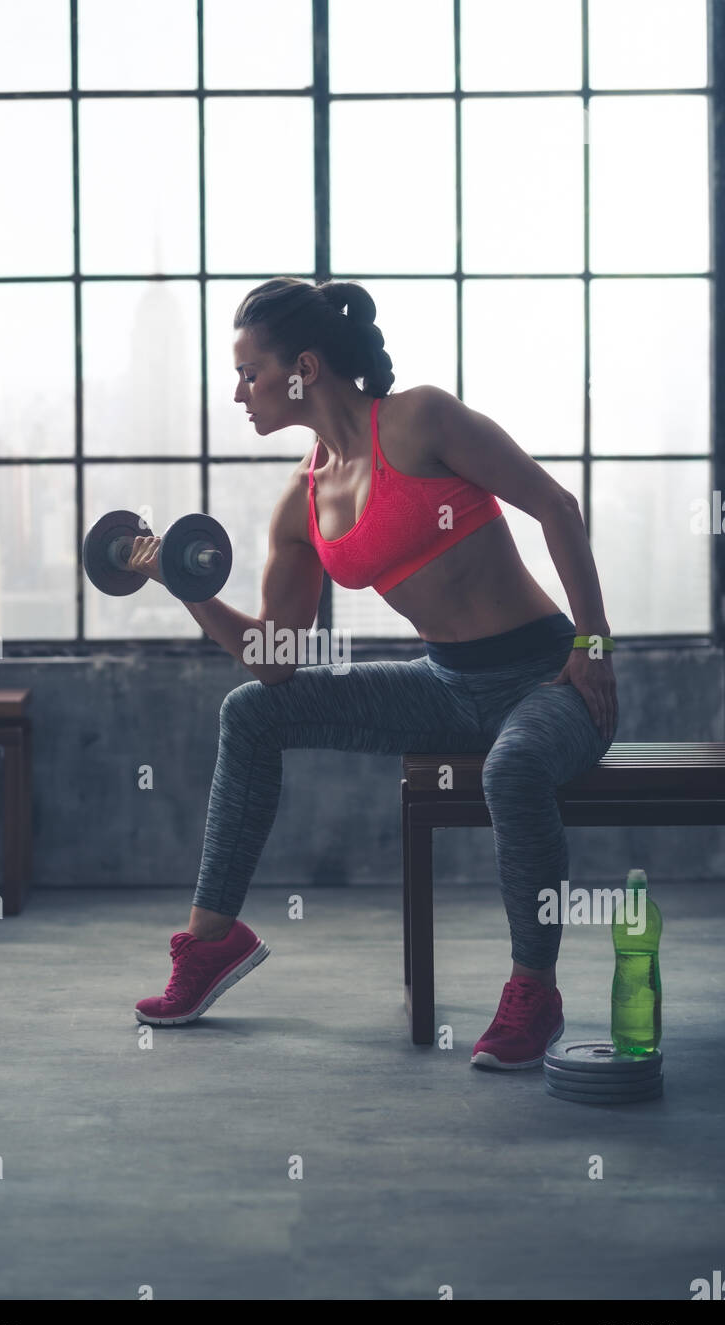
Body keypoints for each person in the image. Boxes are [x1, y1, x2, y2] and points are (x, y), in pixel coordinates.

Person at [130, 276, 619, 1069]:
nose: (238, 393)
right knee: (250, 712)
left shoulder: (422, 419)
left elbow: (555, 505)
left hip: (547, 679)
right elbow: (276, 663)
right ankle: (211, 942)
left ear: (305, 369)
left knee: (515, 766)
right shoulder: (301, 503)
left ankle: (536, 989)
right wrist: (190, 590)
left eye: (249, 373)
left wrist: (593, 646)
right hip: (446, 687)